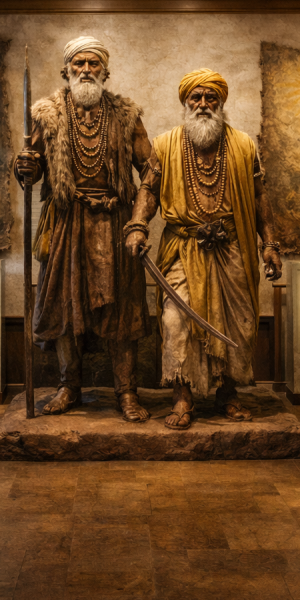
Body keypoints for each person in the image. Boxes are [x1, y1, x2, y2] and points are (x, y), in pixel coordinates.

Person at [124, 69, 282, 430]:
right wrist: (137, 225)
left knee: (238, 324)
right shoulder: (165, 145)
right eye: (196, 97)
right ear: (185, 102)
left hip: (232, 248)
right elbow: (148, 190)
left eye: (211, 97)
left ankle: (228, 393)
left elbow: (260, 197)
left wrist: (270, 243)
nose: (203, 104)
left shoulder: (244, 145)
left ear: (221, 103)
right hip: (183, 247)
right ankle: (182, 396)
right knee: (175, 320)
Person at [13, 36, 154, 422]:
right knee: (63, 305)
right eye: (79, 63)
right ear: (67, 70)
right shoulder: (48, 114)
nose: (87, 70)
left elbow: (151, 172)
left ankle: (126, 391)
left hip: (116, 223)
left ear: (105, 71)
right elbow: (31, 167)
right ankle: (68, 386)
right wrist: (25, 166)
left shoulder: (126, 115)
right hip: (67, 223)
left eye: (94, 63)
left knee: (123, 310)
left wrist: (139, 222)